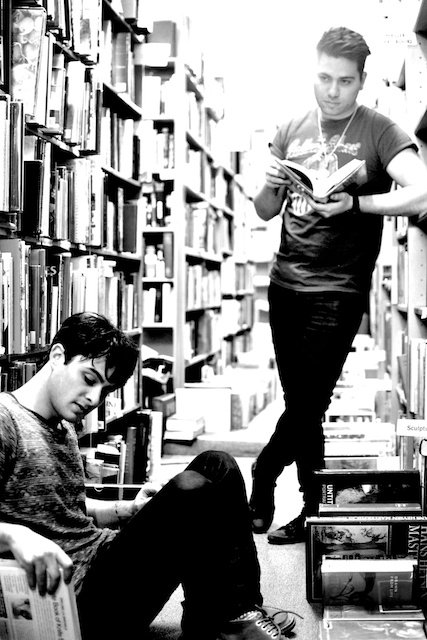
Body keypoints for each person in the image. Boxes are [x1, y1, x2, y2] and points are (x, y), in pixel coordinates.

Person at [0, 312, 300, 640]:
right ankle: (225, 620)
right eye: (89, 379)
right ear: (58, 356)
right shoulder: (6, 419)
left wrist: (125, 510)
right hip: (73, 601)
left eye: (105, 390)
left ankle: (238, 613)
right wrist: (15, 535)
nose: (94, 399)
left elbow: (66, 511)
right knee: (189, 489)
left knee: (218, 464)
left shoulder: (62, 422)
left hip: (104, 563)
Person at [250, 26, 427, 545]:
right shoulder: (291, 127)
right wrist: (270, 185)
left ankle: (265, 473)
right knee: (302, 402)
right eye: (324, 78)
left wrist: (357, 204)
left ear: (362, 80)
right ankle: (313, 510)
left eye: (344, 81)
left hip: (340, 288)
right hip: (285, 283)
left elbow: (422, 192)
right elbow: (263, 211)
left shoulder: (380, 129)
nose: (332, 90)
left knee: (310, 401)